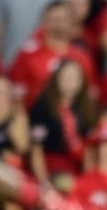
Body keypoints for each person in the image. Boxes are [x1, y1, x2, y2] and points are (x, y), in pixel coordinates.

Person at [7, 0, 98, 107]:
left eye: (64, 19)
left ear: (71, 22)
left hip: (73, 118)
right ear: (44, 22)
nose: (60, 23)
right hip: (36, 117)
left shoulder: (82, 57)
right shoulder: (28, 55)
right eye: (55, 19)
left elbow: (91, 93)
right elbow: (16, 91)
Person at [28, 59, 97, 187]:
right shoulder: (43, 106)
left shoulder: (86, 107)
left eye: (75, 77)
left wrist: (89, 179)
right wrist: (44, 182)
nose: (70, 81)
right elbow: (36, 148)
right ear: (57, 79)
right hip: (52, 167)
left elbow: (89, 149)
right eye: (66, 77)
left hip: (79, 167)